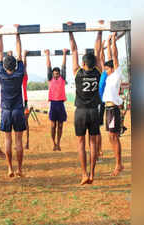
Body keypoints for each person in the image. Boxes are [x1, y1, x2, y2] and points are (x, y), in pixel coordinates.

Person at [68, 21, 103, 185]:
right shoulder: (98, 71)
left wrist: (70, 32)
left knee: (81, 143)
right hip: (94, 111)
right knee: (93, 143)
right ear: (95, 63)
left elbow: (74, 50)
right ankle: (92, 173)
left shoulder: (77, 72)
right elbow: (98, 50)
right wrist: (99, 32)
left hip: (81, 112)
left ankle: (84, 174)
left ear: (83, 64)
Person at [0, 24, 26, 177]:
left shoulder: (0, 73)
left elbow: (0, 54)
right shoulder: (19, 72)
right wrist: (17, 35)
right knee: (18, 141)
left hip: (6, 111)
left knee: (7, 140)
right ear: (15, 65)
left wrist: (0, 35)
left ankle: (10, 168)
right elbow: (19, 54)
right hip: (18, 110)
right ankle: (19, 169)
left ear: (4, 65)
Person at [102, 32, 124, 176]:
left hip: (113, 109)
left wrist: (114, 40)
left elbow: (114, 57)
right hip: (108, 109)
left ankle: (118, 164)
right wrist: (108, 43)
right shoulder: (110, 77)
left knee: (114, 136)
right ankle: (118, 163)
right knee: (111, 137)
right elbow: (110, 57)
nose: (105, 71)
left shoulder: (116, 74)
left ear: (112, 69)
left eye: (107, 68)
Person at [45, 48, 68, 151]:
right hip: (53, 105)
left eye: (57, 73)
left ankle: (58, 143)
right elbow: (48, 67)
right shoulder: (50, 79)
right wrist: (47, 55)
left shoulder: (62, 79)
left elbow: (64, 67)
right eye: (54, 73)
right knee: (53, 126)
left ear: (59, 74)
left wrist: (64, 54)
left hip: (61, 104)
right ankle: (54, 143)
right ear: (52, 74)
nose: (55, 74)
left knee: (60, 126)